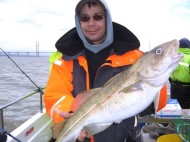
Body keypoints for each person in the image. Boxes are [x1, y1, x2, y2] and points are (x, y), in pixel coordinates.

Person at [44, 0, 167, 141]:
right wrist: (72, 114)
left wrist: (160, 75)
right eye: (85, 18)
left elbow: (157, 104)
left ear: (107, 19)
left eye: (97, 16)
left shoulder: (135, 58)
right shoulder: (64, 60)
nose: (91, 23)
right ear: (79, 22)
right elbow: (54, 95)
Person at [169, 38, 190, 109]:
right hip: (186, 89)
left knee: (175, 109)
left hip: (174, 88)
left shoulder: (173, 57)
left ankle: (176, 120)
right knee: (186, 111)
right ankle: (183, 120)